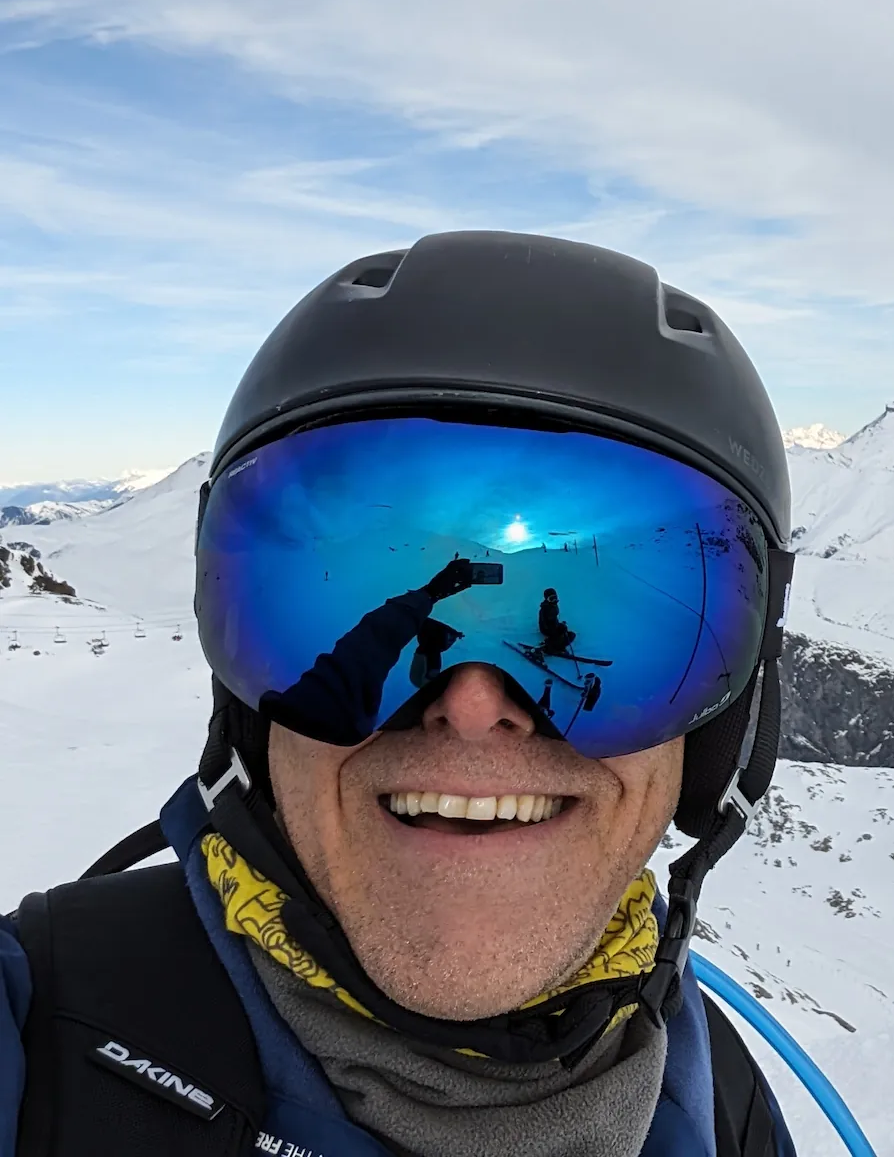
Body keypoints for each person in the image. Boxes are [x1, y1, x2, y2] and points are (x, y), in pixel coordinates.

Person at [0, 232, 803, 1156]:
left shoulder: (718, 1097)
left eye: (633, 644)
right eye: (310, 607)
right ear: (250, 719)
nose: (470, 707)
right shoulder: (39, 1030)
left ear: (719, 735)